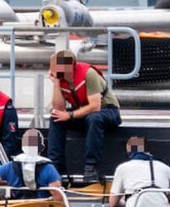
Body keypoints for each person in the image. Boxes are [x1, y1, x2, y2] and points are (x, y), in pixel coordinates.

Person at [47, 49, 122, 184]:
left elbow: (95, 106)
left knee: (94, 118)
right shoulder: (61, 79)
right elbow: (59, 108)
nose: (51, 71)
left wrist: (69, 115)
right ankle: (55, 167)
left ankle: (91, 167)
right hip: (83, 113)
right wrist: (56, 84)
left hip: (108, 111)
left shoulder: (89, 74)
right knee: (56, 117)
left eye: (54, 68)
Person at [0, 129, 67, 207]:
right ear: (42, 147)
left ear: (22, 147)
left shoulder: (9, 167)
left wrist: (8, 181)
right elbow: (57, 195)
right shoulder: (49, 168)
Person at [108, 136, 170, 207]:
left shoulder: (123, 168)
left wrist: (125, 200)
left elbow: (112, 203)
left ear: (129, 150)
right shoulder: (166, 168)